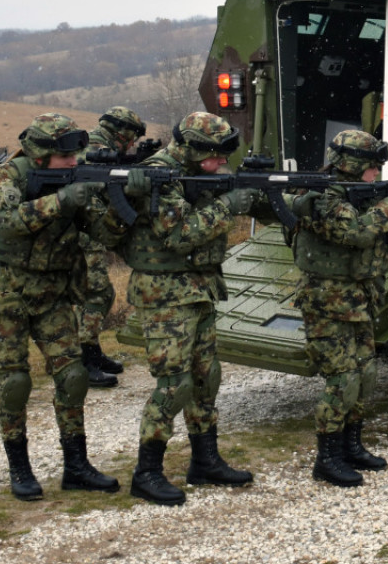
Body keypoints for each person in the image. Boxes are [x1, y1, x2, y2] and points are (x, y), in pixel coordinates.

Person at [0, 113, 131, 501]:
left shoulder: (76, 179)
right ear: (41, 156)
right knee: (15, 382)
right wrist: (61, 201)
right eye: (66, 158)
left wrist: (121, 198)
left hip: (52, 293)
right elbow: (6, 220)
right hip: (1, 292)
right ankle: (19, 467)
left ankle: (76, 465)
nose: (74, 162)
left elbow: (106, 233)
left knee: (73, 375)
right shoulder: (7, 176)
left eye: (77, 155)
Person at [120, 112, 264, 506]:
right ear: (191, 149)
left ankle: (205, 461)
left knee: (206, 378)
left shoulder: (199, 171)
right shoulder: (158, 176)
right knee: (175, 385)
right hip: (166, 293)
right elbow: (180, 235)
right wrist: (228, 205)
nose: (222, 164)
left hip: (199, 287)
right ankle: (146, 472)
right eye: (215, 157)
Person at [289, 130, 388, 487]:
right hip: (327, 301)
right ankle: (327, 458)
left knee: (364, 375)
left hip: (359, 298)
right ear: (355, 166)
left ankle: (351, 445)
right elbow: (356, 232)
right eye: (373, 168)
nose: (377, 174)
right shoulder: (319, 196)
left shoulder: (356, 194)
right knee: (342, 379)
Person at [76, 105, 148, 387]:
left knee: (97, 294)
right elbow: (99, 191)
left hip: (89, 230)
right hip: (84, 233)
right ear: (123, 133)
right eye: (132, 138)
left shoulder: (101, 147)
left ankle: (92, 352)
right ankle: (84, 360)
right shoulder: (95, 149)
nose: (132, 144)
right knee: (97, 294)